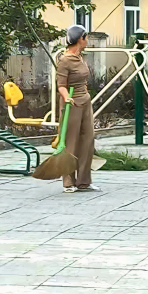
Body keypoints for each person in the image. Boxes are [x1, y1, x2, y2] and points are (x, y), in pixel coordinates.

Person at [56, 24, 100, 192]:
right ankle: (68, 182)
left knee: (88, 140)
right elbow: (61, 85)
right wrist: (67, 97)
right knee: (71, 141)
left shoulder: (80, 57)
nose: (87, 41)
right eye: (86, 38)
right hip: (71, 103)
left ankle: (84, 181)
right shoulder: (64, 60)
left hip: (85, 101)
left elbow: (83, 79)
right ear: (80, 39)